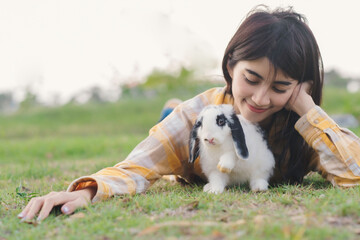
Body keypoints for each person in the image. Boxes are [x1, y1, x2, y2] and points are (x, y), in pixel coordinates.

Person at [18, 6, 360, 222]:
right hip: (188, 137)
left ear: (301, 87)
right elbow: (137, 167)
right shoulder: (197, 117)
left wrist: (309, 109)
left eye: (280, 87)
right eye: (251, 79)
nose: (260, 98)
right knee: (172, 121)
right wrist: (86, 191)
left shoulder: (303, 124)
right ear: (231, 66)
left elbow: (354, 177)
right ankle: (168, 108)